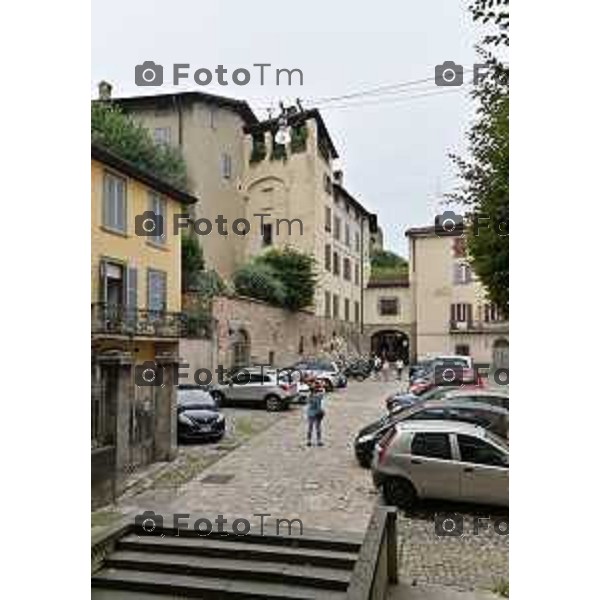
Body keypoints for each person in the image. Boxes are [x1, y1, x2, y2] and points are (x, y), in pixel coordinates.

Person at [306, 379, 326, 446]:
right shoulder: (319, 396)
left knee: (310, 427)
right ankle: (319, 441)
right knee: (318, 428)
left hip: (310, 413)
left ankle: (309, 441)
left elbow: (308, 401)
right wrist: (320, 385)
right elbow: (323, 391)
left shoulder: (310, 396)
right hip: (317, 412)